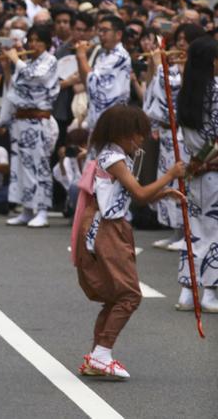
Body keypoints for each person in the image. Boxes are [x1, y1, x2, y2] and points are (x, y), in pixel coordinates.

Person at [72, 105, 186, 380]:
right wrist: (170, 175)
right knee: (129, 295)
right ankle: (101, 354)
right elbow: (137, 191)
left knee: (115, 296)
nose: (141, 140)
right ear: (123, 133)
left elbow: (135, 196)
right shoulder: (113, 157)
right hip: (108, 229)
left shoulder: (116, 155)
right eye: (138, 134)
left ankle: (97, 354)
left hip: (112, 226)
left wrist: (162, 192)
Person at [143, 24, 204, 250]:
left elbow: (174, 92)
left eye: (185, 40)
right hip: (167, 132)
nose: (180, 44)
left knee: (182, 182)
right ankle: (175, 231)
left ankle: (186, 233)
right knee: (167, 180)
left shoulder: (196, 72)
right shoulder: (171, 67)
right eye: (178, 39)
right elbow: (153, 91)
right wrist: (155, 66)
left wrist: (161, 68)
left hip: (183, 133)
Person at [175, 37, 218, 313]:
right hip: (213, 166)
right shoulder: (215, 89)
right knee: (215, 231)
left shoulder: (186, 89)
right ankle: (211, 293)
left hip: (194, 167)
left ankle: (187, 291)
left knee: (194, 229)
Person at [2, 25, 60, 228]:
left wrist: (15, 60)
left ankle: (42, 210)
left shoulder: (49, 61)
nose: (33, 44)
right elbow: (13, 89)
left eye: (38, 41)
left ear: (46, 43)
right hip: (21, 120)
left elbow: (38, 78)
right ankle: (27, 209)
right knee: (21, 166)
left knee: (39, 166)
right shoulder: (27, 62)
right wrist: (9, 65)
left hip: (38, 120)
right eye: (31, 40)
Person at [78, 15, 131, 132]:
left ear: (118, 34)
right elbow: (87, 83)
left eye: (105, 30)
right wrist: (79, 58)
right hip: (98, 119)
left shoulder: (119, 56)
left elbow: (93, 80)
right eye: (99, 30)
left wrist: (81, 56)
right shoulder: (103, 55)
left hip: (112, 121)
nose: (100, 34)